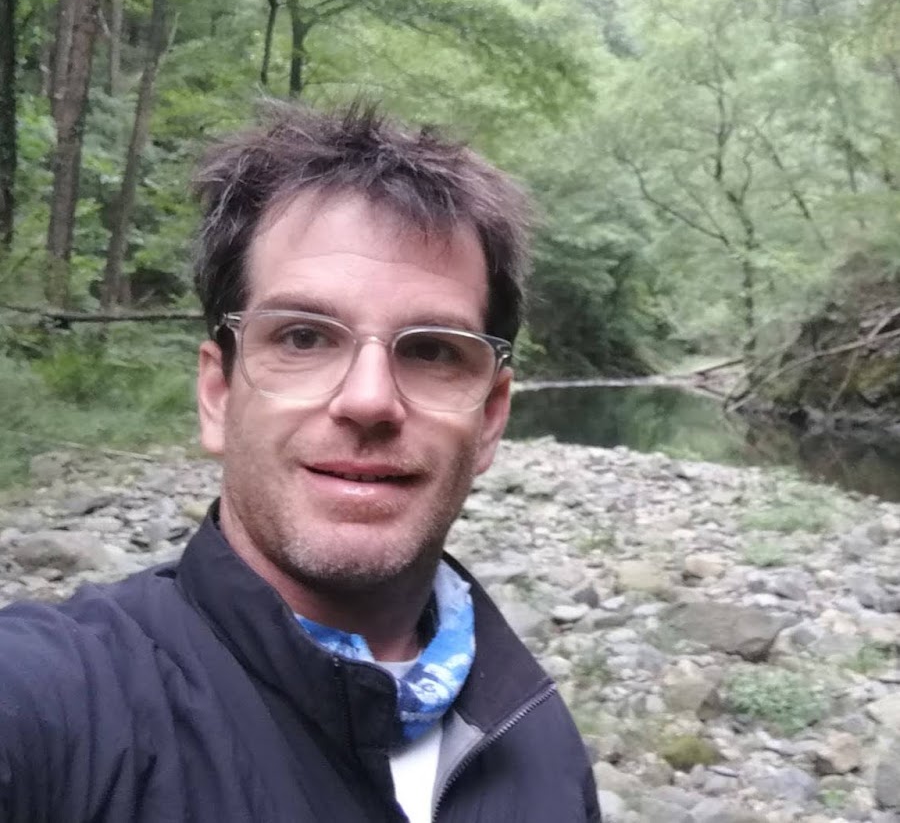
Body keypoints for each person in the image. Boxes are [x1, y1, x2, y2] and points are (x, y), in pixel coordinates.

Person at [0, 103, 601, 822]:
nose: (369, 400)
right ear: (218, 395)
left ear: (491, 418)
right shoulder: (58, 700)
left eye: (432, 349)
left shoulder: (540, 743)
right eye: (303, 338)